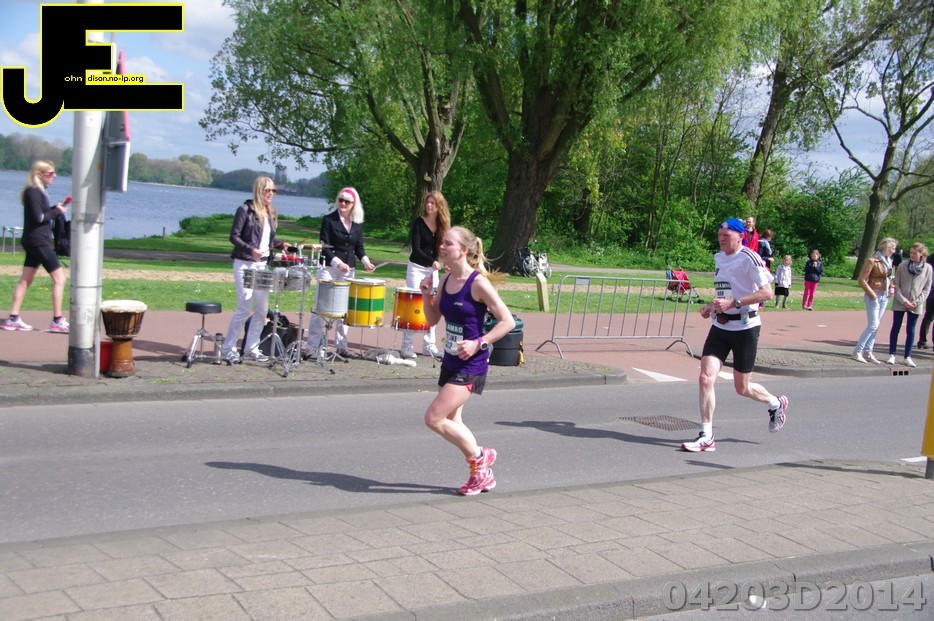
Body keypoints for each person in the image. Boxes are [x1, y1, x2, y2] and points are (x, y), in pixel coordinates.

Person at [420, 226, 515, 495]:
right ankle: (482, 470)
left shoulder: (478, 283)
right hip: (451, 358)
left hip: (472, 363)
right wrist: (426, 294)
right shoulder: (447, 279)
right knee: (453, 420)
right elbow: (432, 319)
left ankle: (480, 459)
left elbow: (507, 321)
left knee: (433, 418)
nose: (442, 247)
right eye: (442, 243)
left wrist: (479, 342)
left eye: (448, 244)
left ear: (463, 250)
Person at [681, 218, 788, 453]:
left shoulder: (750, 258)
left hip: (745, 328)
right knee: (705, 378)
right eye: (719, 235)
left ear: (740, 236)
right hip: (720, 327)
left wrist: (733, 303)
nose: (721, 239)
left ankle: (775, 403)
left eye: (726, 235)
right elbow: (726, 291)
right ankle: (706, 436)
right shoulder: (719, 257)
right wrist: (711, 307)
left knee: (742, 388)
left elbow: (767, 293)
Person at [305, 187, 376, 358]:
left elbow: (359, 247)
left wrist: (366, 261)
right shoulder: (329, 220)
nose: (343, 204)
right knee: (321, 308)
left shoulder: (357, 223)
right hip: (329, 268)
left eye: (347, 201)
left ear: (353, 204)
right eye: (341, 200)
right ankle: (312, 348)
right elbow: (324, 247)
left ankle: (342, 346)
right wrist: (338, 263)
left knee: (344, 310)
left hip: (348, 270)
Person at [221, 176, 284, 364]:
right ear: (259, 191)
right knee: (244, 306)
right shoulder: (245, 210)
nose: (271, 193)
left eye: (273, 190)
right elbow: (234, 236)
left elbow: (266, 240)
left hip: (262, 265)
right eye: (267, 190)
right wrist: (251, 250)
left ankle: (251, 347)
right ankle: (229, 348)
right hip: (245, 263)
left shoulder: (270, 212)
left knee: (262, 309)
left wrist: (281, 244)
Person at [2, 160, 70, 333]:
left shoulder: (39, 191)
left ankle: (13, 319)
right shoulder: (33, 192)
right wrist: (57, 211)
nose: (54, 176)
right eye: (51, 173)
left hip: (35, 241)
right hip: (38, 242)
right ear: (39, 174)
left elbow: (42, 213)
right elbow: (38, 217)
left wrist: (54, 208)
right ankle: (57, 320)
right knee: (60, 279)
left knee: (26, 279)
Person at [401, 191, 450, 359]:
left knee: (432, 305)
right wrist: (432, 261)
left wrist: (447, 263)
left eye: (432, 203)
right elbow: (416, 249)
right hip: (416, 268)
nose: (429, 206)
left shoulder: (442, 226)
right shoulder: (419, 222)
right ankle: (406, 346)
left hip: (432, 270)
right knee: (414, 304)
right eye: (428, 202)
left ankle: (429, 345)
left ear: (439, 206)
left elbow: (443, 249)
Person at [886, 243, 932, 368]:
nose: (912, 255)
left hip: (915, 304)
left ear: (922, 254)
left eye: (915, 253)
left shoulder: (928, 268)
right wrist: (903, 300)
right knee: (896, 327)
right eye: (911, 253)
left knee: (911, 330)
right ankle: (892, 354)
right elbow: (896, 284)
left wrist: (916, 302)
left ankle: (907, 356)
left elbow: (926, 289)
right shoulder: (902, 266)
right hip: (900, 302)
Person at [853, 237, 898, 364]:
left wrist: (892, 287)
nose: (894, 251)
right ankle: (857, 351)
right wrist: (872, 294)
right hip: (874, 294)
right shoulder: (872, 261)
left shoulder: (888, 261)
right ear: (886, 247)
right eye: (893, 248)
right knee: (873, 325)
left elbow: (889, 277)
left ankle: (868, 351)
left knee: (876, 326)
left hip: (884, 295)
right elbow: (862, 279)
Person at [917, 252, 934, 350]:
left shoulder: (930, 259)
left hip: (930, 292)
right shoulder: (931, 260)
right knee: (928, 317)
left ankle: (922, 341)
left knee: (928, 318)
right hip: (931, 292)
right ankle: (922, 341)